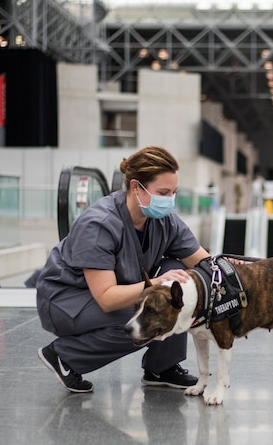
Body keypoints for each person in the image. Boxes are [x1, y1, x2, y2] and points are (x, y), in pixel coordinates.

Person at [35, 146, 211, 393]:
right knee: (143, 316)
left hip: (110, 295)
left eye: (173, 192)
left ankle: (162, 367)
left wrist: (231, 269)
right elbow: (106, 298)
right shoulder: (99, 224)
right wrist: (157, 283)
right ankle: (64, 356)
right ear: (136, 187)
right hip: (66, 301)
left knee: (178, 273)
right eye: (163, 192)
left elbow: (203, 263)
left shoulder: (163, 220)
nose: (170, 199)